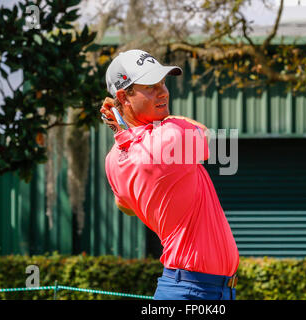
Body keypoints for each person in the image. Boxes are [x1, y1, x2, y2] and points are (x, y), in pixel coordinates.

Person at [100, 49, 239, 300]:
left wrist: (126, 129)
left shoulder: (113, 160)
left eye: (163, 82)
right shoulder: (170, 135)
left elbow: (125, 206)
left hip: (191, 288)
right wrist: (163, 121)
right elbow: (207, 136)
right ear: (124, 96)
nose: (163, 92)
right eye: (151, 86)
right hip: (193, 290)